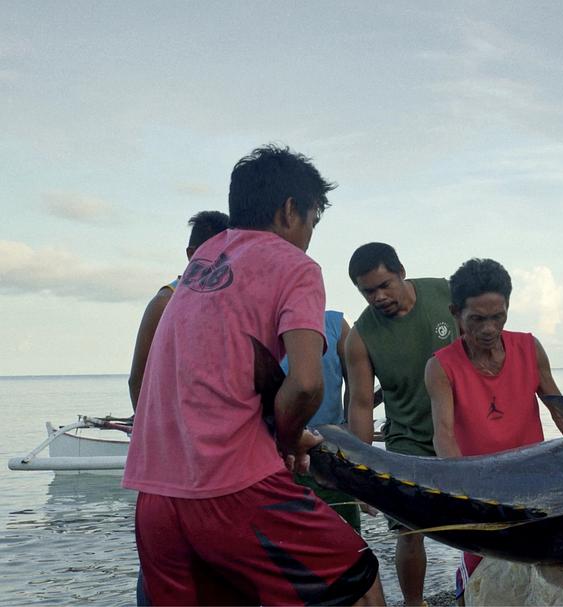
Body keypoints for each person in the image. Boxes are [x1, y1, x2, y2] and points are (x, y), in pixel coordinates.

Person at [123, 144, 384, 606]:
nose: (308, 238)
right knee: (356, 578)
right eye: (312, 223)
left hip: (154, 498)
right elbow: (305, 383)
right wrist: (287, 440)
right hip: (234, 491)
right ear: (289, 211)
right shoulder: (295, 265)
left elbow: (207, 381)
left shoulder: (203, 259)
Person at [425, 257, 563, 604]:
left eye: (498, 316)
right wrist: (462, 490)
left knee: (546, 575)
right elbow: (443, 434)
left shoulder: (529, 347)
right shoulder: (441, 366)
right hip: (482, 492)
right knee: (478, 580)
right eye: (477, 319)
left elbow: (560, 409)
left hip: (536, 485)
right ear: (456, 312)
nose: (489, 329)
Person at [345, 242, 458, 606]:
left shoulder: (444, 291)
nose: (378, 297)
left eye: (384, 285)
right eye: (368, 291)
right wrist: (361, 475)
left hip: (463, 429)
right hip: (408, 439)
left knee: (488, 522)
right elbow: (361, 405)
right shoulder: (360, 336)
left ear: (401, 272)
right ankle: (414, 603)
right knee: (409, 532)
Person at [127, 210, 229, 410]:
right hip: (170, 430)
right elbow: (137, 381)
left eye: (230, 256)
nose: (224, 265)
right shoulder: (164, 303)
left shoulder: (230, 304)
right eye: (216, 257)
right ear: (192, 254)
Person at [284, 309, 366, 529]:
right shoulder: (259, 328)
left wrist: (349, 427)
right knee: (289, 533)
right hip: (278, 452)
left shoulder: (335, 324)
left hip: (329, 449)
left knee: (346, 532)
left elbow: (356, 380)